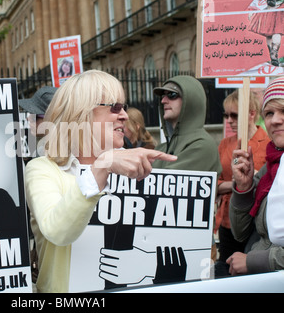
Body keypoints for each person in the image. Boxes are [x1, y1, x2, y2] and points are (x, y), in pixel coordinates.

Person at [24, 69, 177, 292]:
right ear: (81, 114)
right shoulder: (42, 170)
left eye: (124, 107)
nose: (124, 115)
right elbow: (57, 231)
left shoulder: (131, 168)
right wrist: (102, 167)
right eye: (115, 107)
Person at [228, 76, 284, 275]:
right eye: (269, 113)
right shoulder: (271, 167)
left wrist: (253, 261)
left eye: (283, 110)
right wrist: (243, 187)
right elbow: (240, 232)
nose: (275, 120)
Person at [215, 90, 269, 277]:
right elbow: (215, 184)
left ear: (252, 113)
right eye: (226, 115)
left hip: (255, 221)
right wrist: (238, 184)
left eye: (234, 115)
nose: (229, 120)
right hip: (227, 220)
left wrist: (251, 180)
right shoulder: (225, 144)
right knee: (224, 268)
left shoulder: (268, 143)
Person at [151, 75, 222, 174]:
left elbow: (165, 183)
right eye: (163, 95)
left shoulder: (202, 145)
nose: (163, 101)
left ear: (190, 101)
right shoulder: (161, 148)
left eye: (172, 95)